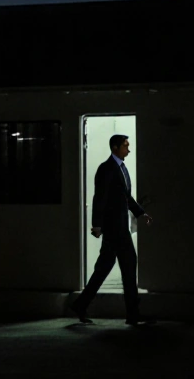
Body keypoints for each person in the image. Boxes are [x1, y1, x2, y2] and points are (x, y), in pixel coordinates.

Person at [69, 134, 155, 325]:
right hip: (115, 228)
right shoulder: (106, 168)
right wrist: (97, 225)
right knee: (129, 263)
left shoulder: (120, 168)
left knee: (104, 266)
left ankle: (81, 304)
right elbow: (99, 197)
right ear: (115, 148)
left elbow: (126, 197)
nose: (128, 150)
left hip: (117, 227)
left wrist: (141, 213)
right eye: (125, 146)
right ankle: (133, 314)